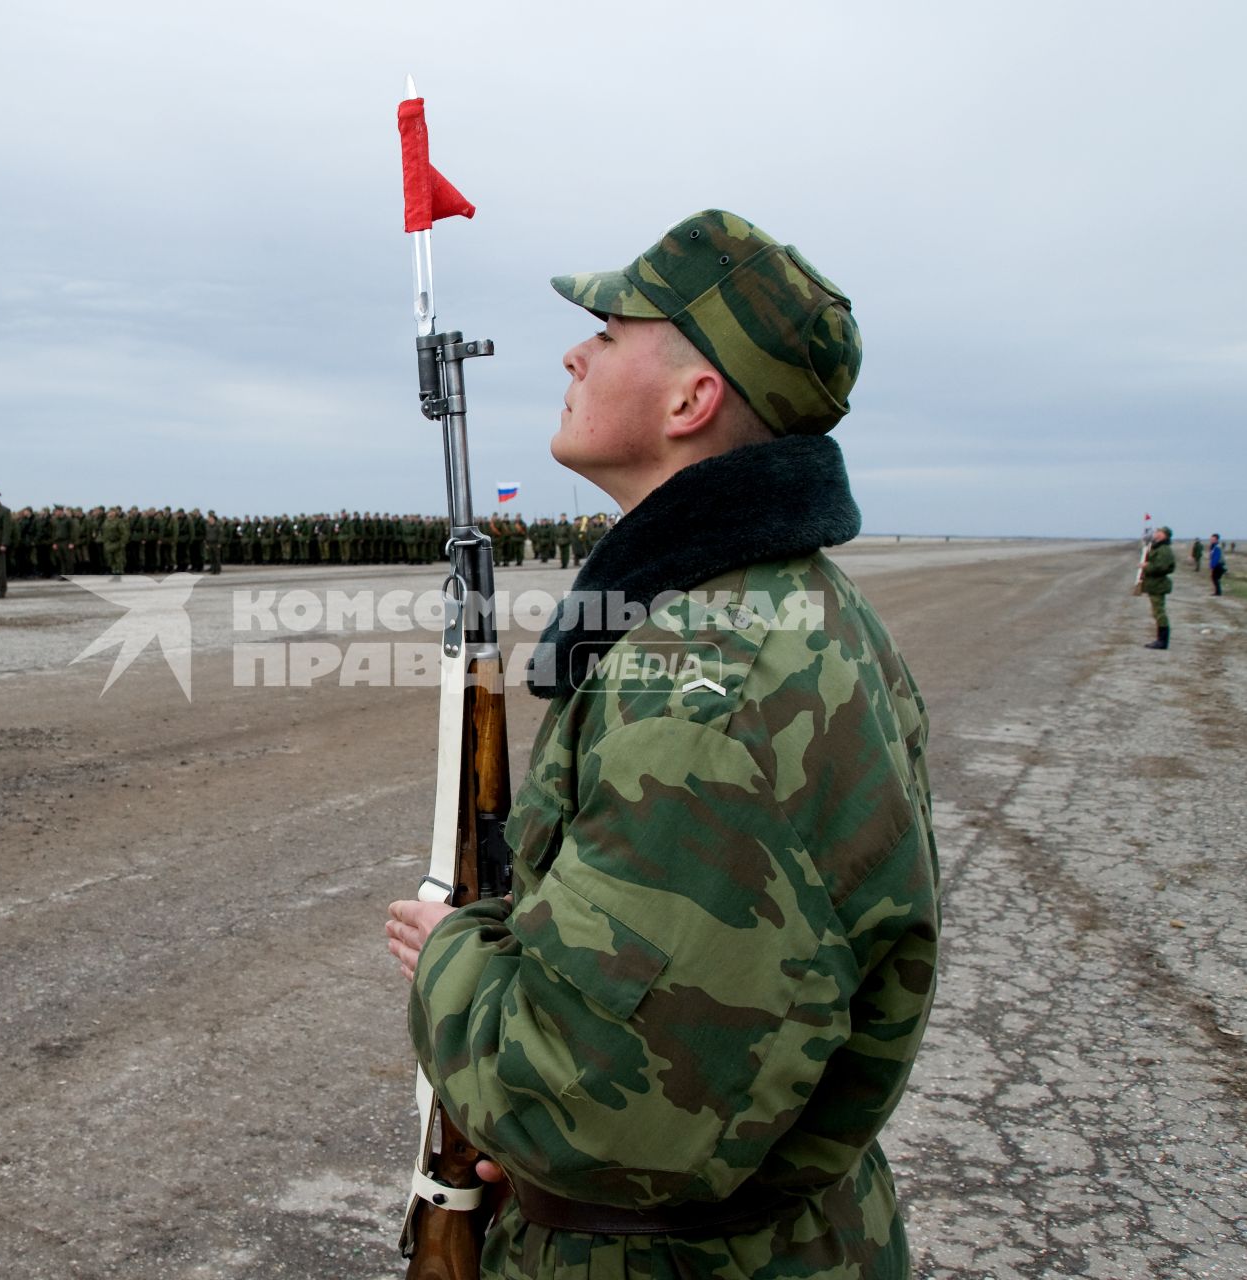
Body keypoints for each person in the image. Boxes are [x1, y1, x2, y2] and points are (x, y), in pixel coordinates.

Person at [386, 209, 938, 1280]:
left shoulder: (707, 684)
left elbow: (596, 1117)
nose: (571, 351)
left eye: (608, 328)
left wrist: (450, 949)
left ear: (691, 399)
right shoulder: (779, 607)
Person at [1138, 525, 1175, 648]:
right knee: (1157, 612)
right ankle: (1160, 639)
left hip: (1158, 584)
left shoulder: (1164, 549)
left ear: (1164, 535)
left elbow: (1161, 567)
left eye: (1159, 532)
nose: (1156, 533)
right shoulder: (1159, 547)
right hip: (1155, 584)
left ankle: (1162, 641)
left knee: (1159, 612)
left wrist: (1146, 566)